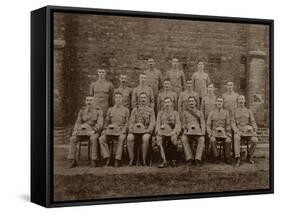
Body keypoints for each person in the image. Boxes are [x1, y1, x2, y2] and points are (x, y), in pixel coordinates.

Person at [67, 96, 103, 168]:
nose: (89, 102)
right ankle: (72, 159)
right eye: (87, 100)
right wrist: (76, 131)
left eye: (90, 100)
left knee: (93, 139)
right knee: (73, 139)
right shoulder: (82, 110)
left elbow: (100, 123)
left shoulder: (98, 110)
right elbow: (78, 122)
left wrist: (93, 131)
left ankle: (93, 159)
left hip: (93, 131)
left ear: (94, 101)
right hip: (82, 131)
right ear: (85, 101)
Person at [99, 92, 130, 167]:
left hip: (120, 131)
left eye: (119, 97)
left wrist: (124, 130)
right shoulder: (110, 109)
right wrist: (104, 129)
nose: (118, 99)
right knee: (102, 138)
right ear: (114, 99)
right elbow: (107, 121)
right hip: (110, 131)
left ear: (122, 99)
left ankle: (117, 158)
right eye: (116, 97)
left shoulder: (126, 110)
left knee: (122, 138)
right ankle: (107, 157)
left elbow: (127, 123)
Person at [127, 92, 155, 166]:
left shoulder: (150, 110)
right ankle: (132, 159)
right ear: (139, 99)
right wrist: (131, 129)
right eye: (141, 98)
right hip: (135, 130)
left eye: (144, 98)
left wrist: (148, 130)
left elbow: (152, 123)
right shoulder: (135, 110)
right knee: (129, 137)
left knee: (145, 138)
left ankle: (144, 159)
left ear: (147, 99)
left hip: (145, 130)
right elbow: (131, 122)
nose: (143, 99)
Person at [231, 95, 258, 167]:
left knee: (255, 140)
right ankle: (237, 157)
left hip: (247, 131)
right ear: (237, 101)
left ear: (244, 101)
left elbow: (252, 121)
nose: (241, 101)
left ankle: (249, 156)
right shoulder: (234, 111)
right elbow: (233, 122)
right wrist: (236, 131)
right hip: (239, 130)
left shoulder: (248, 111)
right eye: (239, 99)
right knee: (236, 138)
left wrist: (255, 129)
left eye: (242, 99)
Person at [156, 97, 181, 168]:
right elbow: (158, 123)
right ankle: (163, 160)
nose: (167, 104)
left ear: (171, 103)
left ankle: (173, 159)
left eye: (168, 102)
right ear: (163, 104)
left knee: (174, 139)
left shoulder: (175, 113)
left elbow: (178, 124)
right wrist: (158, 131)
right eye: (166, 102)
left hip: (172, 131)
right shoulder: (160, 113)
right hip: (162, 131)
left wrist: (175, 131)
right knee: (159, 139)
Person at [181, 96, 205, 167]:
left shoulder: (200, 113)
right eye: (190, 101)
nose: (191, 102)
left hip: (197, 132)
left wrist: (203, 132)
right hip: (188, 132)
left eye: (192, 101)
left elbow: (203, 123)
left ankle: (198, 159)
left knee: (201, 139)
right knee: (184, 139)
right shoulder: (185, 112)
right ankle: (190, 158)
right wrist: (185, 129)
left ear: (195, 103)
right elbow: (184, 124)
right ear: (188, 103)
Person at [207, 96, 231, 164]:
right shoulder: (211, 112)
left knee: (228, 140)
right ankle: (216, 156)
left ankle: (227, 157)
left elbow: (228, 124)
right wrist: (210, 133)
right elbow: (208, 125)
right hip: (214, 132)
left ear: (223, 103)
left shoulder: (226, 112)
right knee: (212, 140)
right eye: (218, 101)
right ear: (215, 102)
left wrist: (228, 133)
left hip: (223, 133)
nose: (219, 103)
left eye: (221, 101)